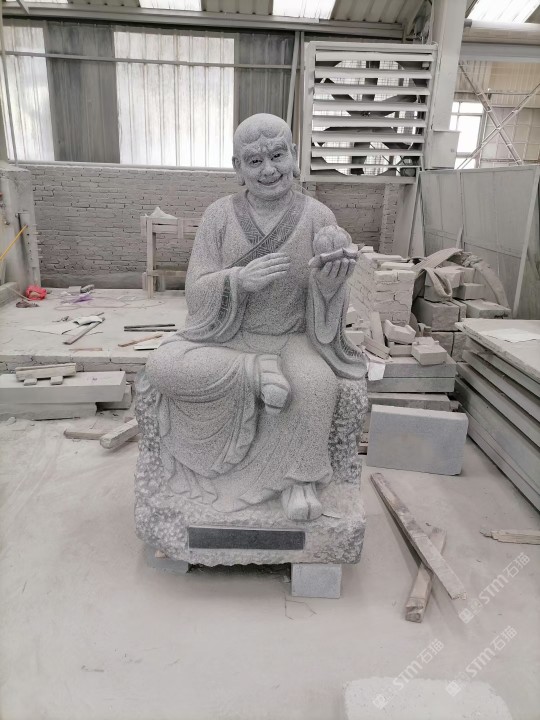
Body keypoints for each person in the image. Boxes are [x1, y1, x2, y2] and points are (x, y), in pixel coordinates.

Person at [144, 113, 367, 521]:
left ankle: (298, 480)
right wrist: (237, 280)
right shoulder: (219, 216)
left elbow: (327, 302)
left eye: (277, 156)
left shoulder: (318, 218)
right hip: (230, 340)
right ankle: (255, 372)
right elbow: (195, 291)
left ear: (294, 155)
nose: (268, 170)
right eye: (254, 161)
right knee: (162, 364)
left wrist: (330, 284)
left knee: (317, 385)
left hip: (291, 339)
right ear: (237, 167)